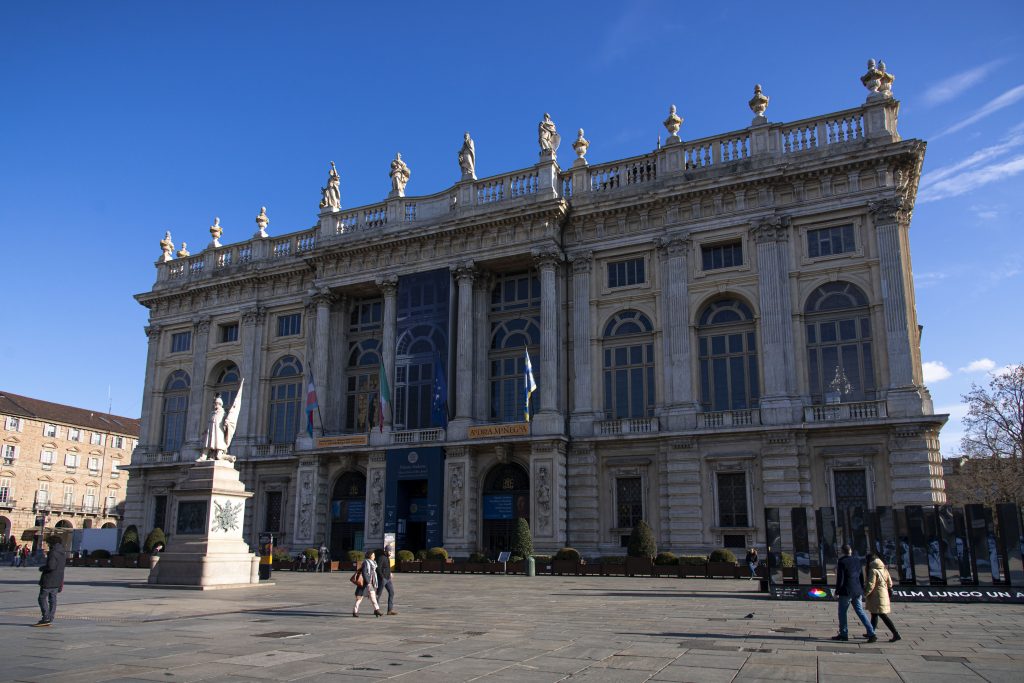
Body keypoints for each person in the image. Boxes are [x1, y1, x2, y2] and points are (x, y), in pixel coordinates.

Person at [832, 544, 876, 642]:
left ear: (842, 551)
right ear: (850, 551)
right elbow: (861, 576)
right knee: (860, 611)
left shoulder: (842, 561)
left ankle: (844, 634)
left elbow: (841, 578)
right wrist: (861, 588)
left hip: (846, 591)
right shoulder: (857, 560)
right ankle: (871, 633)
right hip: (857, 590)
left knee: (842, 613)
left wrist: (837, 591)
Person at [864, 551, 901, 642]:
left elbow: (871, 584)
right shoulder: (884, 568)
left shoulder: (873, 570)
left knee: (882, 615)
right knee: (874, 614)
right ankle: (871, 632)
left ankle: (895, 633)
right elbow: (890, 583)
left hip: (876, 595)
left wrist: (865, 594)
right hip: (883, 594)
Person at [34, 535, 66, 627]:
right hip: (58, 579)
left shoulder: (53, 552)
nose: (47, 545)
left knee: (42, 598)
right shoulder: (62, 552)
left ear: (51, 542)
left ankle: (46, 617)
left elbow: (51, 566)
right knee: (53, 599)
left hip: (49, 579)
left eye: (48, 543)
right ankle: (50, 617)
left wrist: (42, 568)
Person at [353, 550, 382, 617]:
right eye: (373, 555)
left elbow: (374, 572)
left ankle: (377, 610)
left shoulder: (374, 563)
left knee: (373, 597)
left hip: (371, 583)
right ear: (370, 556)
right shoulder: (365, 562)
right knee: (359, 599)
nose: (374, 556)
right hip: (365, 584)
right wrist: (368, 582)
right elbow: (364, 572)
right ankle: (355, 611)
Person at [377, 546, 397, 615]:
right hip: (382, 579)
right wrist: (382, 577)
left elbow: (386, 568)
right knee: (378, 594)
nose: (391, 553)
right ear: (386, 551)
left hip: (388, 579)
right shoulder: (381, 558)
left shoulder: (387, 558)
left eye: (391, 551)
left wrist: (390, 573)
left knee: (392, 592)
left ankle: (390, 610)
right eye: (390, 551)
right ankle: (376, 609)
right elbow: (378, 569)